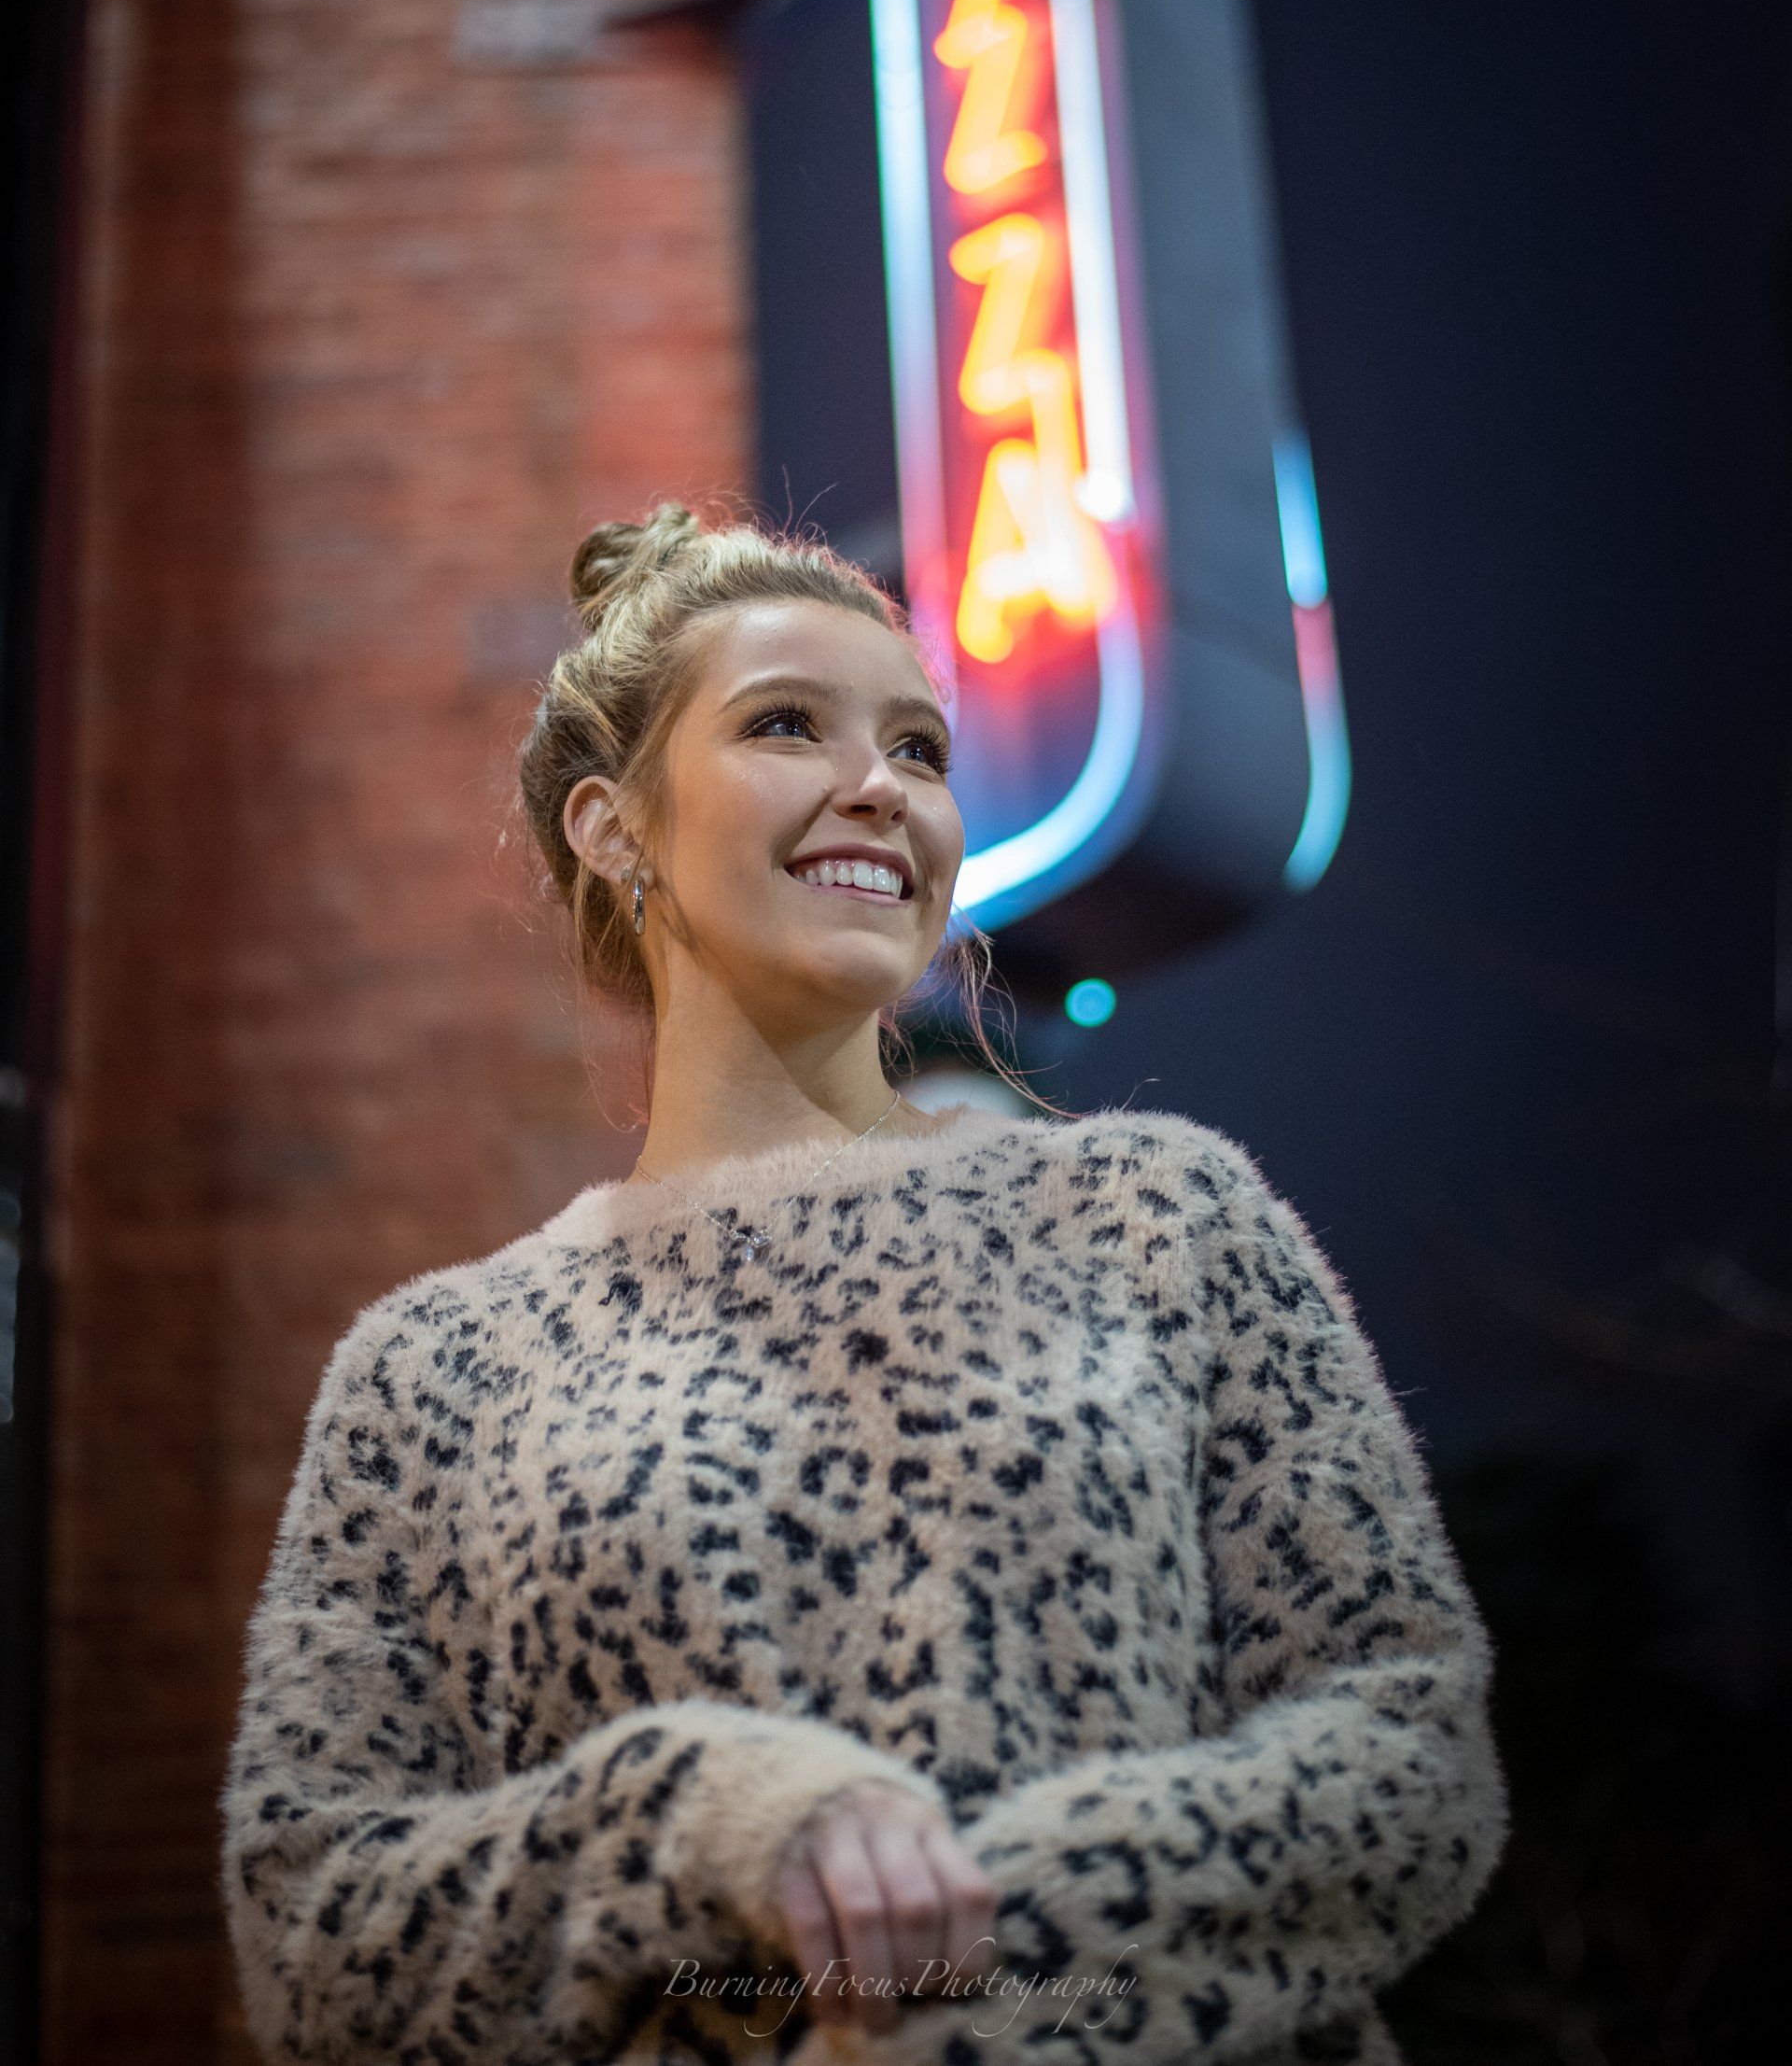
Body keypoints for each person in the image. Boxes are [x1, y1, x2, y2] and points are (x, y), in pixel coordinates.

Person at [219, 503, 1507, 2065]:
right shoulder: (433, 1373)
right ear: (613, 826)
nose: (878, 789)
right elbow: (316, 1932)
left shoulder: (1158, 1216)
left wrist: (968, 1961)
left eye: (919, 749)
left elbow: (1407, 1744)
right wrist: (701, 1816)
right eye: (785, 727)